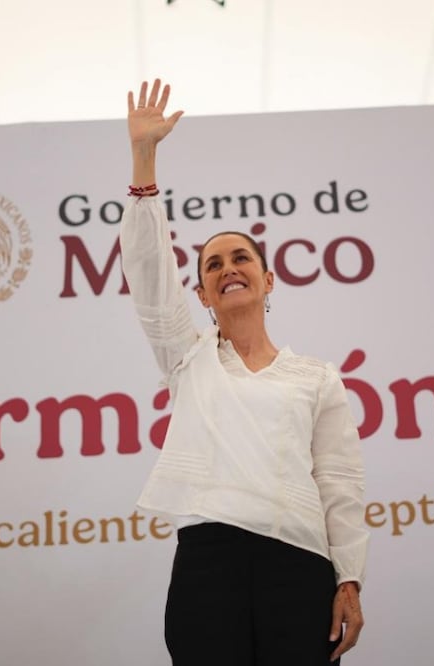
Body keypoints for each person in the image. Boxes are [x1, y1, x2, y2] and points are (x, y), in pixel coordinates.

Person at [118, 79, 368, 665]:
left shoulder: (316, 376)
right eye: (213, 265)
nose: (228, 268)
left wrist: (349, 579)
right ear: (202, 293)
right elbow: (149, 269)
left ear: (267, 279)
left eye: (241, 258)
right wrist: (144, 157)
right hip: (210, 563)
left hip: (301, 563)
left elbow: (339, 484)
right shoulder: (190, 357)